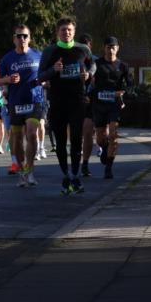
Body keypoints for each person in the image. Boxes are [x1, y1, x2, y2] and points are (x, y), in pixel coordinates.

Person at [37, 18, 93, 194]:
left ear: (74, 32)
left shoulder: (82, 49)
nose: (66, 33)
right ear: (57, 32)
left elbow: (93, 65)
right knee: (60, 142)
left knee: (76, 139)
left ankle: (75, 175)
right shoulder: (50, 51)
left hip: (77, 101)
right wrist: (54, 70)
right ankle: (66, 174)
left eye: (69, 30)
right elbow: (40, 76)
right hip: (58, 101)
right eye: (63, 30)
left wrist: (88, 75)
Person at [0, 24, 44, 187]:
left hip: (35, 100)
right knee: (16, 139)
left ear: (29, 38)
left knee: (31, 134)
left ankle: (30, 171)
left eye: (25, 36)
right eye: (19, 36)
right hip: (16, 103)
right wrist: (7, 80)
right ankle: (22, 171)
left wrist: (46, 82)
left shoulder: (38, 55)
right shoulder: (7, 59)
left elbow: (47, 74)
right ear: (14, 39)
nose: (22, 39)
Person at [91, 36, 134, 179]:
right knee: (100, 138)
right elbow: (89, 82)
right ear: (104, 48)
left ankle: (109, 167)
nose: (111, 49)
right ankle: (103, 148)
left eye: (113, 47)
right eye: (108, 47)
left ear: (118, 48)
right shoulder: (96, 64)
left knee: (114, 135)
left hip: (114, 105)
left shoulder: (123, 66)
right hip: (99, 104)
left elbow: (130, 85)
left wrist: (124, 92)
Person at [78, 33, 99, 177]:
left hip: (91, 100)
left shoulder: (96, 61)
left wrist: (92, 79)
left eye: (87, 47)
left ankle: (85, 163)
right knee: (79, 133)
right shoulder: (73, 60)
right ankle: (81, 160)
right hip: (75, 99)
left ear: (90, 47)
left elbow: (101, 79)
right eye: (82, 47)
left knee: (88, 132)